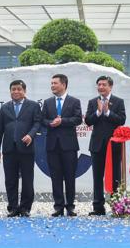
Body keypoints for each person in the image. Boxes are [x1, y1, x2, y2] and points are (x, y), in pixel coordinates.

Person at [0, 79, 42, 217]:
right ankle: (13, 207)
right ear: (10, 91)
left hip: (26, 148)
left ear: (24, 91)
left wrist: (31, 135)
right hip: (9, 149)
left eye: (19, 89)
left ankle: (25, 208)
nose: (16, 91)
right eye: (13, 89)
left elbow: (37, 123)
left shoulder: (33, 106)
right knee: (10, 180)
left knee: (27, 179)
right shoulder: (5, 107)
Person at [41, 73, 82, 217]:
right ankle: (58, 206)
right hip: (52, 145)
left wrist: (62, 121)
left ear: (63, 85)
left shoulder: (74, 101)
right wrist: (50, 123)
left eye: (55, 83)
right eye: (51, 83)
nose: (52, 85)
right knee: (55, 177)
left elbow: (78, 119)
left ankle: (70, 206)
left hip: (69, 146)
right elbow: (42, 120)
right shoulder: (47, 102)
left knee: (70, 177)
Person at [85, 75, 126, 216]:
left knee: (115, 176)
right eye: (99, 85)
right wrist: (98, 111)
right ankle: (98, 207)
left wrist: (107, 112)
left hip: (114, 145)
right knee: (97, 177)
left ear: (110, 86)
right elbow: (88, 121)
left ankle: (117, 206)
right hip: (96, 146)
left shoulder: (118, 101)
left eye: (104, 85)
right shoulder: (92, 102)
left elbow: (121, 120)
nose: (101, 87)